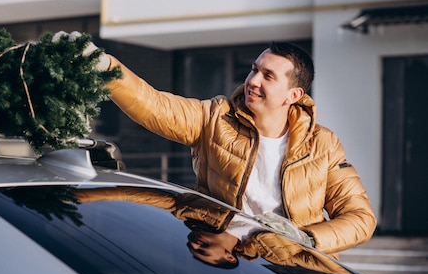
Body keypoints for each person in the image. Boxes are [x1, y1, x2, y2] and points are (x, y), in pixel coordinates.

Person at [52, 32, 377, 256]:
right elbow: (154, 106)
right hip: (215, 265)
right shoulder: (215, 118)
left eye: (268, 76)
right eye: (253, 70)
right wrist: (108, 67)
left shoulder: (322, 145)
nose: (253, 81)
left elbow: (360, 218)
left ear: (294, 95)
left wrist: (305, 238)